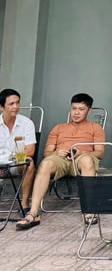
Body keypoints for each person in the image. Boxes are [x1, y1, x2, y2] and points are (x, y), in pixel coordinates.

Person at [17, 93, 106, 230]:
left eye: (81, 109)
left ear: (89, 110)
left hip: (82, 158)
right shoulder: (58, 128)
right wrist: (57, 153)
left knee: (87, 160)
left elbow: (100, 153)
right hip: (60, 159)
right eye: (74, 108)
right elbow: (47, 153)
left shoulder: (95, 128)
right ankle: (33, 213)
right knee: (46, 163)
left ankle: (89, 210)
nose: (76, 113)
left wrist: (81, 153)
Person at [0, 89, 37, 217]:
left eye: (18, 103)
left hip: (16, 163)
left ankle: (25, 204)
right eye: (11, 104)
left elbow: (30, 151)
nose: (16, 107)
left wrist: (8, 160)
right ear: (1, 107)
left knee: (29, 162)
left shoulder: (27, 123)